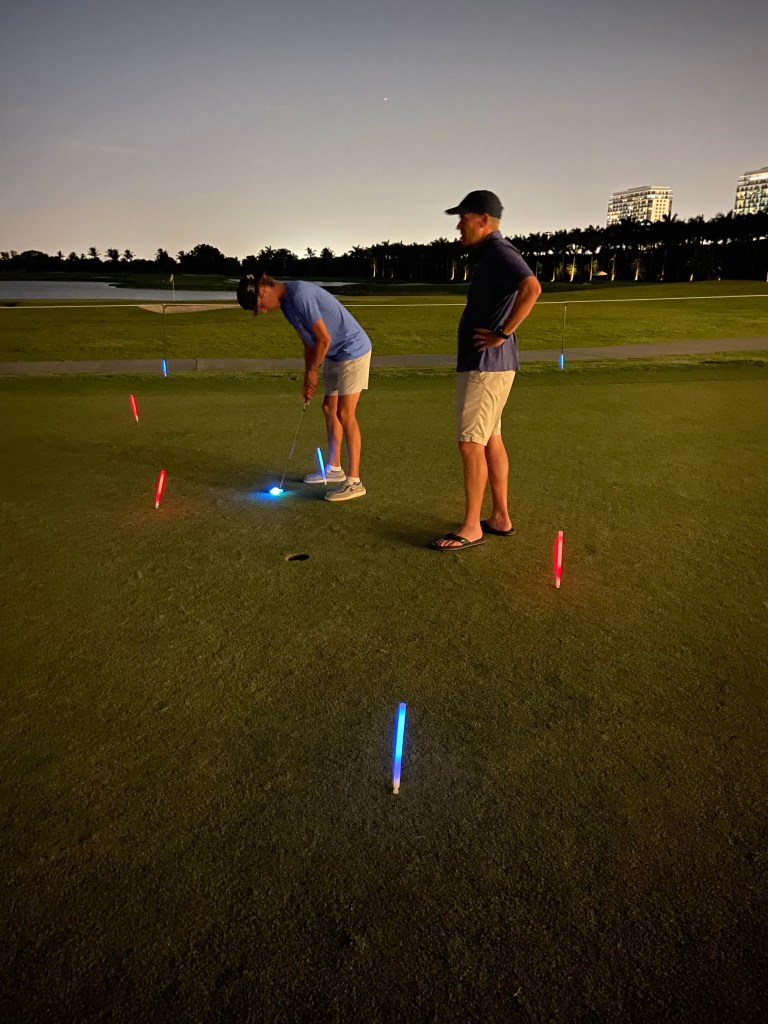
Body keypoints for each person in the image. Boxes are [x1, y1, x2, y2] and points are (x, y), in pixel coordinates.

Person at [430, 190, 542, 550]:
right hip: (490, 366)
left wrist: (502, 333)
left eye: (463, 219)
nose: (458, 227)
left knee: (470, 443)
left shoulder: (499, 251)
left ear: (483, 220)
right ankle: (499, 517)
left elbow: (532, 288)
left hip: (486, 366)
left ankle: (471, 527)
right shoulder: (489, 255)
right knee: (490, 438)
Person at [237, 271, 372, 501]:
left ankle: (355, 482)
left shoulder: (300, 294)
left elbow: (324, 339)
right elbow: (309, 343)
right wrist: (308, 376)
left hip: (353, 348)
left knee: (345, 413)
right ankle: (334, 468)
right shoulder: (287, 305)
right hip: (336, 353)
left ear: (263, 289)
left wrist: (313, 372)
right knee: (329, 408)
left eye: (260, 305)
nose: (264, 310)